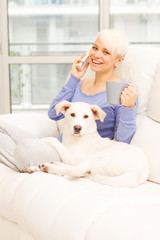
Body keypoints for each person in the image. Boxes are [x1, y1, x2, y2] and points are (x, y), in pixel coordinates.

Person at [48, 28, 137, 144]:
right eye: (95, 48)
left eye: (106, 52)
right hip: (59, 144)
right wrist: (73, 79)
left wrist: (129, 107)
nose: (96, 55)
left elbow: (123, 140)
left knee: (27, 150)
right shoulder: (80, 83)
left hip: (76, 153)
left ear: (118, 61)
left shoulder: (120, 91)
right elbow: (53, 114)